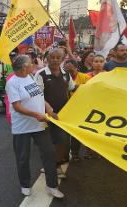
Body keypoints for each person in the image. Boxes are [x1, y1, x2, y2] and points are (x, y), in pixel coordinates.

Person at [5, 55, 64, 198]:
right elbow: (17, 107)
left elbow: (39, 96)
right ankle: (25, 185)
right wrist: (36, 115)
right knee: (23, 157)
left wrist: (49, 109)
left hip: (39, 124)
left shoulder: (30, 76)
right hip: (23, 126)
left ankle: (52, 186)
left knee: (49, 153)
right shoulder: (12, 83)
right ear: (24, 67)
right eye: (31, 63)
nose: (34, 65)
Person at [36, 49, 75, 177]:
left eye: (58, 58)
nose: (55, 60)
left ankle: (56, 166)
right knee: (49, 143)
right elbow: (37, 95)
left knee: (62, 140)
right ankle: (50, 165)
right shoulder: (41, 74)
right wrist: (48, 110)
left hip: (62, 115)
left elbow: (72, 88)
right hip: (46, 115)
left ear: (62, 59)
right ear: (47, 59)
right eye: (52, 57)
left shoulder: (66, 75)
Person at [63, 59, 91, 161]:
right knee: (66, 134)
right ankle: (69, 154)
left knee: (77, 133)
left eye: (71, 71)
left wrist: (77, 87)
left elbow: (91, 89)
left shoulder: (85, 77)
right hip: (66, 109)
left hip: (81, 109)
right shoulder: (62, 77)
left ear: (76, 68)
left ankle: (79, 153)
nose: (69, 73)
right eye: (67, 71)